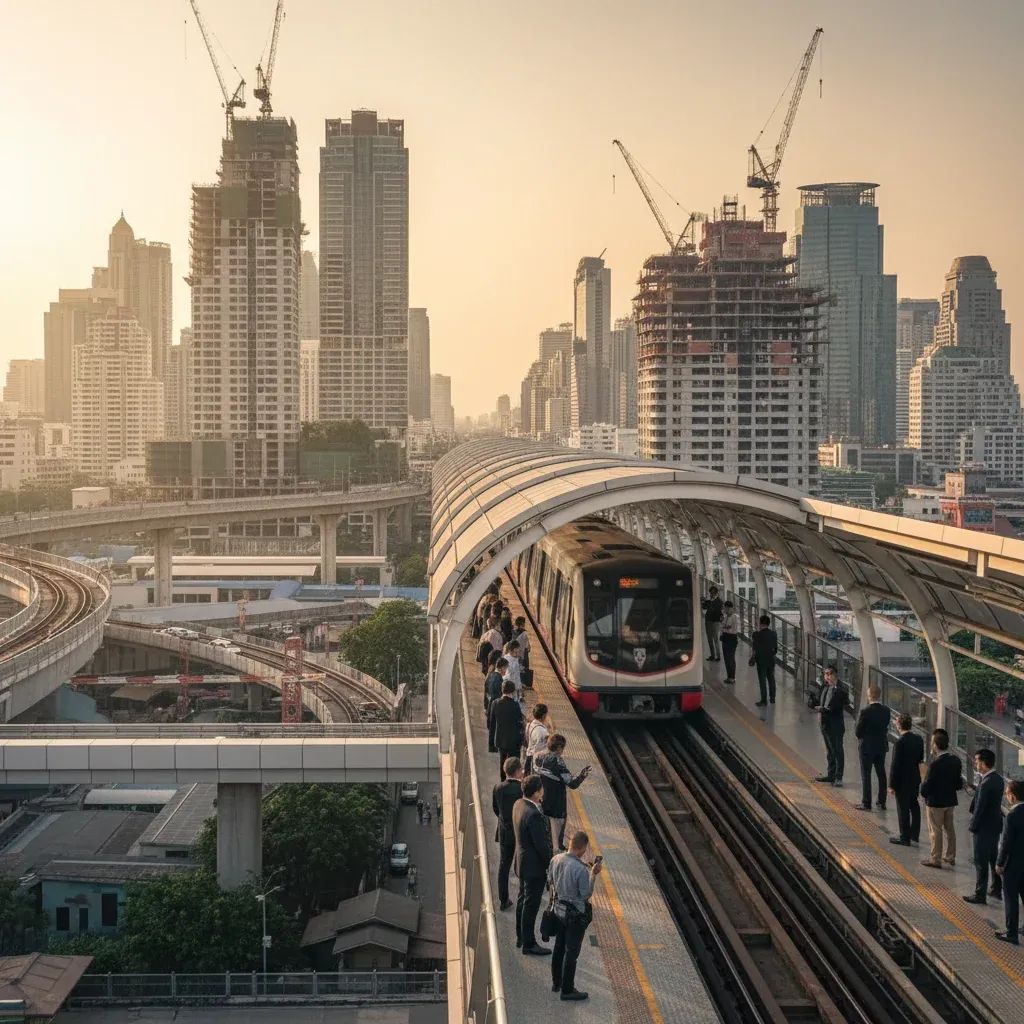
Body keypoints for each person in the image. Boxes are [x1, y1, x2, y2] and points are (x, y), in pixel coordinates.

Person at [548, 830, 603, 1001]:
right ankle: (567, 989)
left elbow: (549, 880)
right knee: (571, 952)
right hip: (575, 917)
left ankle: (556, 982)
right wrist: (593, 875)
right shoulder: (580, 869)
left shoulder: (555, 859)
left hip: (558, 912)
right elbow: (585, 895)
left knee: (558, 947)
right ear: (582, 849)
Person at [513, 774, 553, 955]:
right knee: (531, 905)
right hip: (533, 868)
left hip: (521, 862)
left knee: (522, 900)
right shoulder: (534, 814)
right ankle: (529, 943)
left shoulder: (518, 804)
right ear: (537, 793)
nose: (543, 791)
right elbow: (542, 846)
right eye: (541, 788)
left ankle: (520, 936)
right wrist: (550, 864)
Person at [535, 734, 592, 852]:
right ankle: (559, 846)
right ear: (559, 748)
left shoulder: (539, 757)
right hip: (557, 803)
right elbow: (572, 783)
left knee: (546, 824)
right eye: (563, 748)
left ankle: (548, 843)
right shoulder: (559, 763)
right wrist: (582, 775)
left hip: (543, 799)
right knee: (560, 824)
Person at [963, 748, 1004, 904]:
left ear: (985, 763)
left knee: (981, 861)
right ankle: (996, 889)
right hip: (995, 825)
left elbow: (980, 808)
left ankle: (980, 894)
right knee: (993, 858)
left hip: (983, 827)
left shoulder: (986, 783)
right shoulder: (998, 779)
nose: (975, 763)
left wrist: (973, 826)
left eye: (978, 760)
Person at [919, 728, 964, 869]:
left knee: (935, 830)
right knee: (949, 829)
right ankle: (950, 856)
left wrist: (923, 793)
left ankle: (935, 858)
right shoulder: (955, 761)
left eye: (932, 743)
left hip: (935, 803)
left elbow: (927, 785)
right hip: (950, 801)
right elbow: (958, 783)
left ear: (935, 745)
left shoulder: (935, 764)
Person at [887, 713, 925, 846]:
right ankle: (915, 835)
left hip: (902, 781)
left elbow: (895, 765)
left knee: (903, 808)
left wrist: (891, 785)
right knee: (914, 806)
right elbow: (920, 759)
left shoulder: (900, 742)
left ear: (899, 725)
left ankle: (904, 837)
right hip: (915, 778)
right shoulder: (919, 739)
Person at [492, 757, 524, 910]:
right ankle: (523, 895)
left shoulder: (498, 787)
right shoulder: (522, 789)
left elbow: (496, 809)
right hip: (520, 834)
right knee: (523, 864)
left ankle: (504, 900)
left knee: (504, 866)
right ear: (518, 771)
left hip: (505, 832)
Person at [995, 779, 1024, 944]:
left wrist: (999, 863)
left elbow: (1006, 843)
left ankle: (1011, 932)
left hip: (1012, 864)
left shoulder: (1012, 815)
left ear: (1013, 796)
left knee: (1011, 898)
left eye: (1007, 793)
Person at [854, 684, 891, 811]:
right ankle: (881, 802)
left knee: (866, 774)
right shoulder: (886, 710)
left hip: (867, 747)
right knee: (881, 774)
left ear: (869, 696)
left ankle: (866, 803)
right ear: (879, 695)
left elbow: (858, 732)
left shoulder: (865, 711)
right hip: (881, 746)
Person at [813, 664, 847, 787]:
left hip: (835, 725)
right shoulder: (825, 686)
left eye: (828, 674)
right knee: (829, 750)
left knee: (837, 750)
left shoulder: (841, 689)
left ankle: (839, 777)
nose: (826, 677)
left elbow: (836, 707)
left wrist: (823, 709)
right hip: (824, 723)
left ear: (833, 675)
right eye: (824, 674)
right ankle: (831, 774)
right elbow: (819, 700)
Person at [489, 680, 524, 780]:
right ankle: (513, 779)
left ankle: (503, 780)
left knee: (502, 761)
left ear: (502, 690)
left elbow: (492, 724)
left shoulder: (495, 703)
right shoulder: (515, 705)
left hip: (500, 740)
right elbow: (519, 723)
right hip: (514, 740)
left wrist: (491, 744)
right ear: (512, 692)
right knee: (514, 762)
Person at [749, 614, 778, 706]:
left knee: (762, 680)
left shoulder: (756, 635)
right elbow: (775, 649)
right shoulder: (773, 634)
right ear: (768, 623)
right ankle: (772, 698)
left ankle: (764, 700)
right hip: (771, 660)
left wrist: (752, 658)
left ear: (760, 624)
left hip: (761, 661)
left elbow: (755, 649)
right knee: (771, 679)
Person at [523, 703, 550, 775]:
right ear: (544, 716)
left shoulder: (530, 724)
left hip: (528, 757)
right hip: (536, 762)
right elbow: (542, 748)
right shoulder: (542, 731)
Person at [702, 585, 723, 662]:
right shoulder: (709, 601)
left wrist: (710, 603)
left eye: (713, 593)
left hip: (715, 622)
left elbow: (715, 610)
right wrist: (705, 601)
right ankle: (712, 655)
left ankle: (718, 656)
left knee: (715, 639)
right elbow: (704, 607)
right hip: (708, 621)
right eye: (711, 593)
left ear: (716, 593)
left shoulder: (719, 602)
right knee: (709, 639)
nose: (712, 594)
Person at [720, 601, 739, 684]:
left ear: (730, 608)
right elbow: (722, 627)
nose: (725, 609)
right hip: (725, 638)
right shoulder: (725, 616)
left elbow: (730, 628)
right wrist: (724, 626)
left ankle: (732, 677)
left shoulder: (734, 617)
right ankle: (729, 676)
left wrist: (724, 627)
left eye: (726, 608)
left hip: (731, 638)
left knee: (731, 658)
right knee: (726, 658)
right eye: (724, 608)